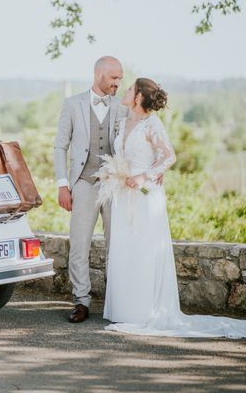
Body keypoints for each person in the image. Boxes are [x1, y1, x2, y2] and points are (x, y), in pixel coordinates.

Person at [103, 78, 246, 338]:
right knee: (125, 250)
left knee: (144, 251)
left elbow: (168, 156)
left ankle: (144, 313)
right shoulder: (124, 122)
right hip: (123, 196)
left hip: (145, 196)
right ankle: (124, 310)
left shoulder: (151, 124)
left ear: (137, 97)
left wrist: (145, 176)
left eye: (129, 89)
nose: (124, 91)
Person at [53, 56, 126, 323]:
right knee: (79, 245)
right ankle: (81, 301)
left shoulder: (123, 106)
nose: (118, 83)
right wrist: (63, 185)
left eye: (120, 78)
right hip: (83, 183)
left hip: (114, 185)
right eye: (114, 77)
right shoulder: (72, 104)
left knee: (116, 244)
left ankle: (116, 302)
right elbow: (60, 146)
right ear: (99, 75)